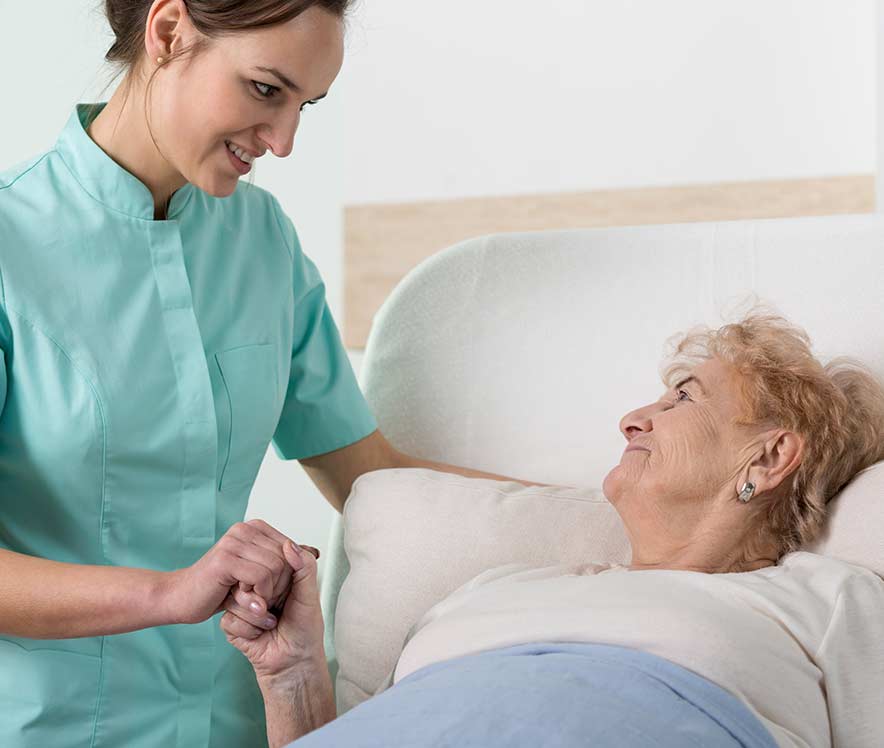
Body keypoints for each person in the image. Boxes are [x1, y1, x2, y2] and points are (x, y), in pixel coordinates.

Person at [0, 2, 540, 746]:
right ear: (167, 32)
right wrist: (169, 594)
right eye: (265, 90)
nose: (284, 141)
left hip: (239, 724)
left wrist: (633, 521)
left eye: (305, 106)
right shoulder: (10, 247)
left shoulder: (263, 242)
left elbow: (374, 477)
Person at [224, 312, 884, 747]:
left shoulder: (822, 600)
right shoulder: (490, 589)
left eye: (681, 398)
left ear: (769, 457)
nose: (632, 419)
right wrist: (294, 675)